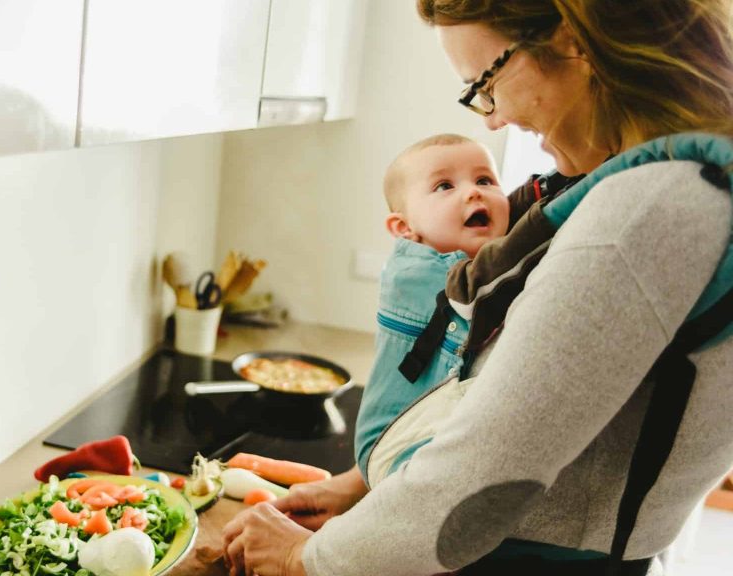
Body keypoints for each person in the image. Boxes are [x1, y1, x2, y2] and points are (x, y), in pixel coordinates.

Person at [221, 1, 733, 575]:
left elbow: (483, 478)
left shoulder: (642, 214)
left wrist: (303, 558)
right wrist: (364, 486)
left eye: (484, 83)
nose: (491, 118)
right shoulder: (688, 182)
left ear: (573, 41)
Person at [357, 132, 566, 485]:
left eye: (485, 180)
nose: (473, 191)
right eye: (444, 186)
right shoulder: (414, 273)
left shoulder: (463, 255)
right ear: (404, 228)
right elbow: (496, 271)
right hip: (396, 446)